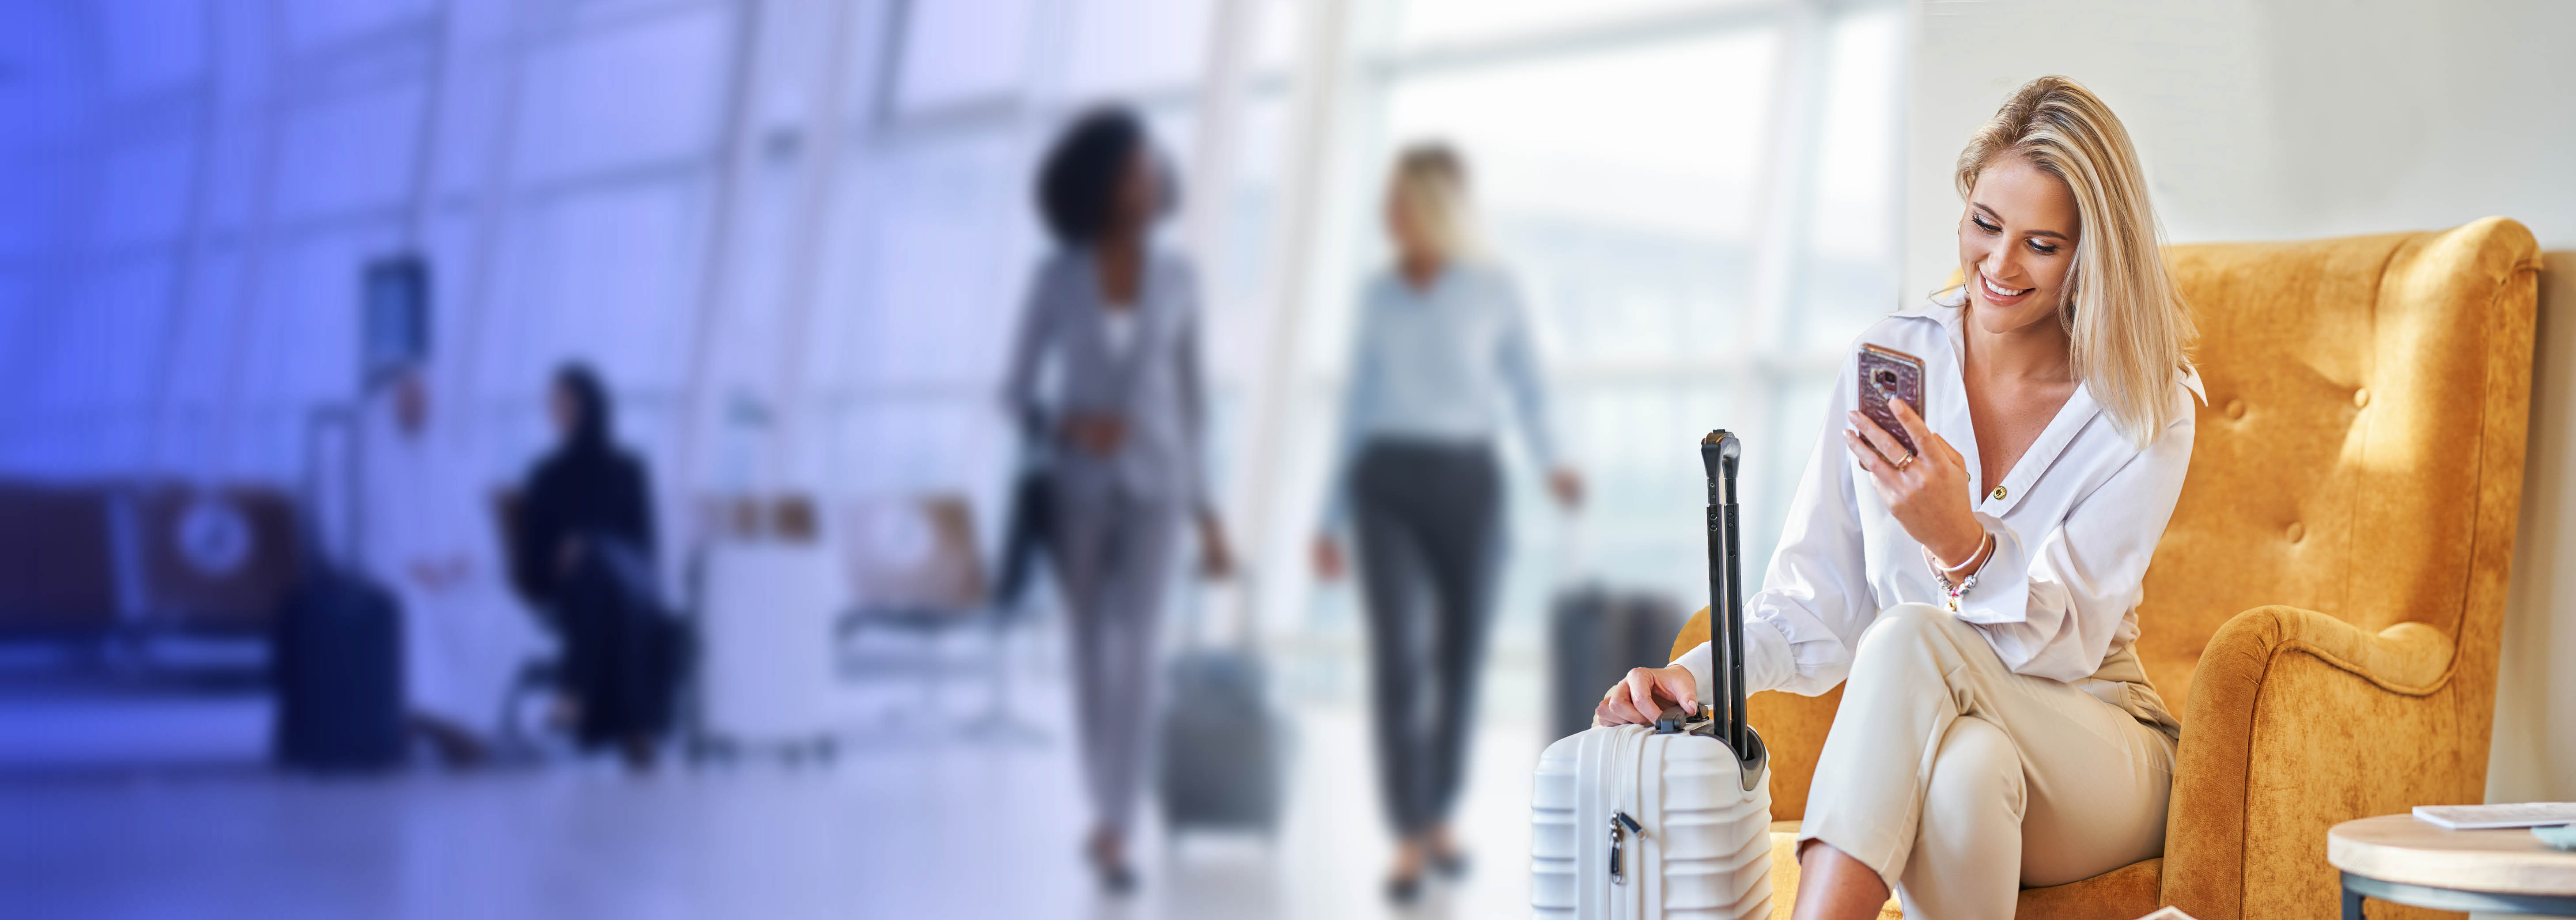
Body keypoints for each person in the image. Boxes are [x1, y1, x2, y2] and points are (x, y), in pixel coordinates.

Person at [1596, 76, 2199, 920]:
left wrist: (1963, 544)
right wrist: (1689, 679)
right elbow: (1811, 608)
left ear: (2090, 253)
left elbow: (2065, 647)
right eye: (1984, 225)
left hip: (2098, 748)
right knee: (1962, 772)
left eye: (2042, 244)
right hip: (1964, 740)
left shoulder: (2143, 404)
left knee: (1913, 631)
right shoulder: (1889, 361)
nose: (1997, 264)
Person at [1312, 143, 1583, 903]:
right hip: (1386, 484)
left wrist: (1553, 458)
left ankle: (1437, 816)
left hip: (1467, 483)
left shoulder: (1491, 289)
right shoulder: (1377, 298)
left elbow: (1527, 385)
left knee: (1460, 656)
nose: (1386, 216)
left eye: (1398, 201)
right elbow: (1355, 410)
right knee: (1398, 656)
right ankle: (1405, 831)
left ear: (1431, 207)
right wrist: (1327, 518)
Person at [1001, 105, 1234, 894]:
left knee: (1136, 647)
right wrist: (1069, 423)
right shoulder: (1054, 278)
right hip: (1078, 487)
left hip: (1161, 483)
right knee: (1089, 649)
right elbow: (1013, 393)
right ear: (1097, 182)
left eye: (1149, 169)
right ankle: (1104, 796)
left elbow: (1196, 405)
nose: (1146, 180)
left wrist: (1209, 513)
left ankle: (1114, 821)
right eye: (1130, 170)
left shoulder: (1180, 277)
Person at [362, 367, 549, 766]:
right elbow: (360, 538)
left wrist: (465, 563)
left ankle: (476, 726)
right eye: (407, 397)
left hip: (450, 579)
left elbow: (478, 539)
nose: (417, 405)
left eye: (422, 397)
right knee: (412, 607)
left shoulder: (450, 461)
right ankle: (440, 724)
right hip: (393, 579)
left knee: (499, 613)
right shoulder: (363, 461)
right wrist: (406, 568)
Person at [507, 363, 675, 771]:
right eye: (553, 405)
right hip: (567, 591)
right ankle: (637, 729)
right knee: (591, 576)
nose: (556, 413)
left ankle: (574, 695)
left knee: (598, 566)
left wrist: (592, 547)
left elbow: (645, 550)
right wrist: (560, 557)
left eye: (565, 403)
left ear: (590, 406)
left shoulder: (629, 470)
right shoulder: (546, 476)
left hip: (625, 591)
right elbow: (532, 563)